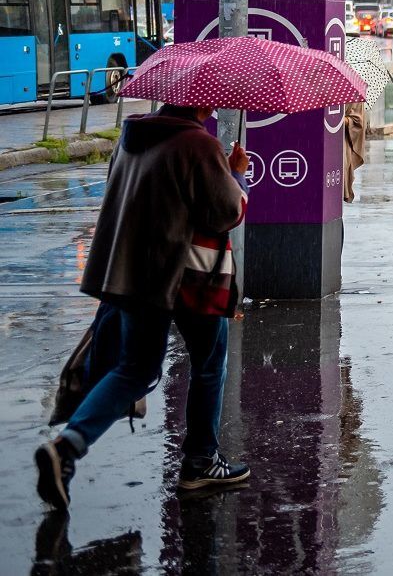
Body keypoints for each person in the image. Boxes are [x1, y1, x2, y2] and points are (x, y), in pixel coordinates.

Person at [35, 104, 251, 510]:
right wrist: (235, 173)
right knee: (209, 364)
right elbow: (226, 212)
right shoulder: (196, 144)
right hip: (189, 277)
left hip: (133, 275)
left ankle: (65, 448)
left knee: (134, 369)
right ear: (199, 101)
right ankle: (201, 461)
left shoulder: (133, 137)